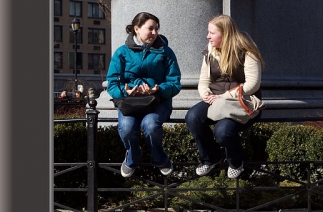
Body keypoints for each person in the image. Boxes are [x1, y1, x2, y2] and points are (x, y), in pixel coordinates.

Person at [185, 15, 265, 179]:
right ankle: (211, 158)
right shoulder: (210, 49)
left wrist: (225, 96)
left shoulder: (247, 51)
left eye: (211, 33)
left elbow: (252, 85)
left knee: (223, 132)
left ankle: (236, 162)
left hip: (242, 102)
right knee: (192, 117)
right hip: (215, 99)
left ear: (225, 34)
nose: (208, 36)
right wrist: (205, 94)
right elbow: (204, 80)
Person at [106, 12, 182, 178]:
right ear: (136, 29)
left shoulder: (166, 52)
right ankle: (132, 157)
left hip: (158, 102)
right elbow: (112, 83)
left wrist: (158, 89)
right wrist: (124, 92)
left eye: (156, 29)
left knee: (151, 126)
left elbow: (175, 83)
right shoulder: (121, 53)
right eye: (150, 29)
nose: (155, 33)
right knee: (126, 128)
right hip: (129, 103)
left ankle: (160, 158)